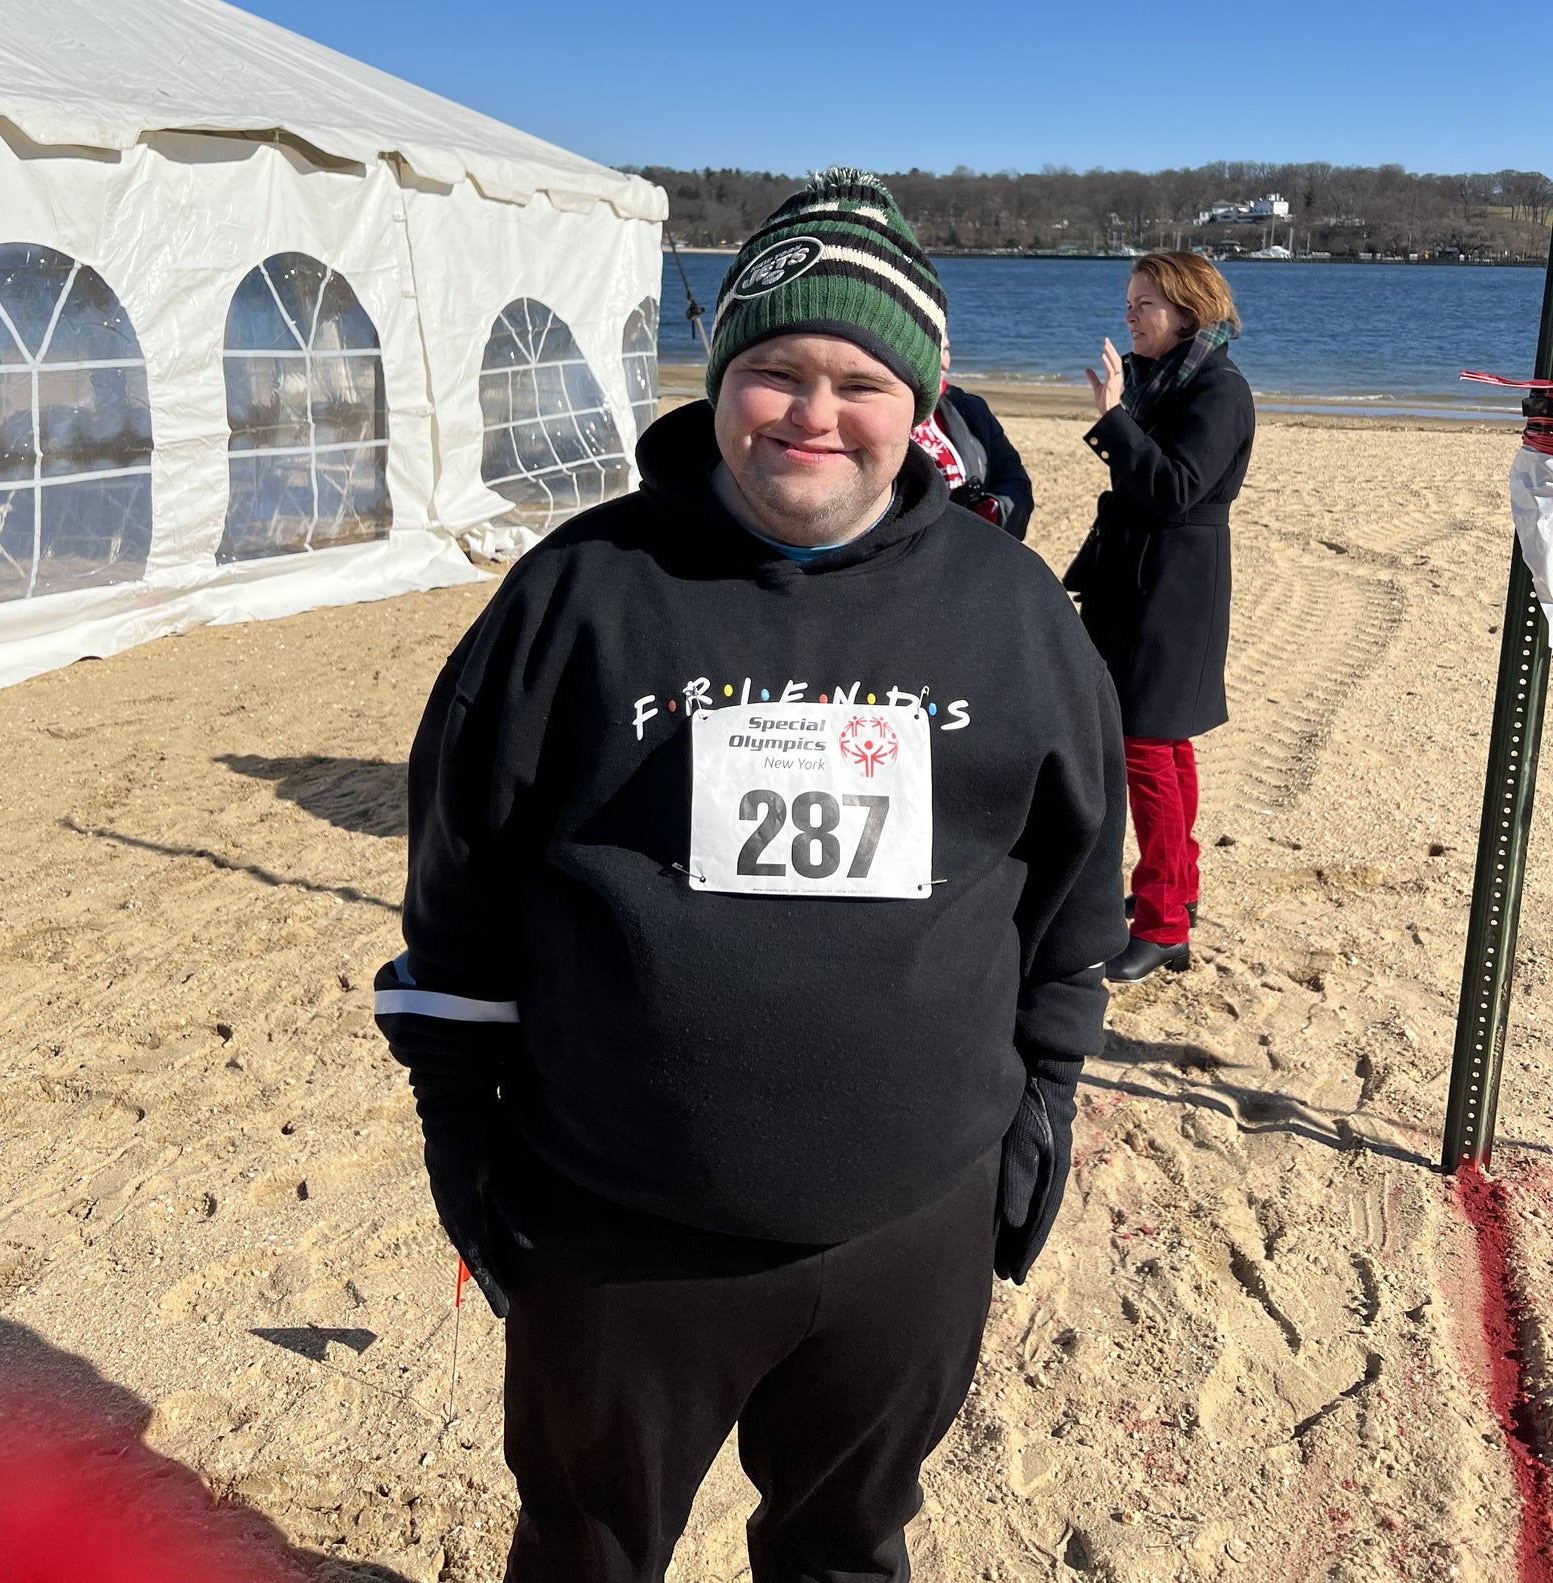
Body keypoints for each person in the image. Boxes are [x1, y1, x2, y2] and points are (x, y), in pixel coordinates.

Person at [374, 168, 1127, 1583]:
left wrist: (1041, 1101)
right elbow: (459, 890)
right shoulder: (581, 591)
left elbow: (1076, 894)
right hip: (618, 1227)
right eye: (776, 369)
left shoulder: (1011, 609)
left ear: (927, 397)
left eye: (858, 379)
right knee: (586, 1546)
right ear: (719, 373)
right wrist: (456, 1126)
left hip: (910, 1225)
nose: (813, 412)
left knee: (845, 1544)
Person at [1065, 252, 1254, 983]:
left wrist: (1113, 417)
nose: (1131, 314)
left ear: (1185, 309)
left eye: (1144, 302)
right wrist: (1121, 415)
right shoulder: (1169, 378)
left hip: (1177, 586)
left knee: (1148, 745)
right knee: (1163, 743)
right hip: (1138, 574)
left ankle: (1165, 921)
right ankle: (1175, 890)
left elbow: (1175, 488)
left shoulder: (1219, 388)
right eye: (1130, 301)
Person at [911, 341, 1035, 537]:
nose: (945, 363)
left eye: (946, 350)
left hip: (974, 553)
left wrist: (993, 514)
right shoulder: (882, 418)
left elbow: (1014, 480)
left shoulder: (969, 409)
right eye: (934, 350)